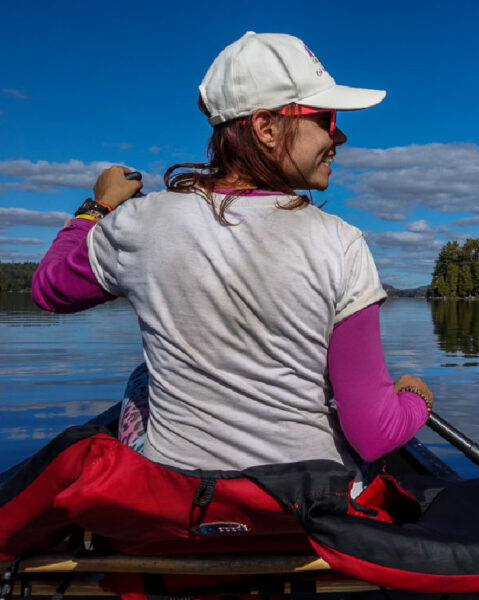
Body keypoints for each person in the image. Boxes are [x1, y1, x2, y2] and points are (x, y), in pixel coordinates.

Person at [32, 32, 433, 473]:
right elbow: (375, 435)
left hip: (183, 498)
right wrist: (415, 398)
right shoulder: (342, 242)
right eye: (327, 118)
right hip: (306, 503)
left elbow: (50, 290)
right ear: (266, 127)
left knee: (144, 379)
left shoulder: (140, 222)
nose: (340, 137)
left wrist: (99, 208)